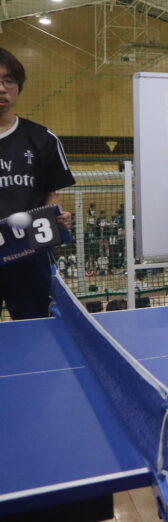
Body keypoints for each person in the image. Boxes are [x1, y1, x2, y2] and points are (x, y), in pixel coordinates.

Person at [0, 47, 74, 320]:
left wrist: (58, 217)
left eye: (9, 81)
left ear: (19, 87)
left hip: (29, 256)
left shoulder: (42, 139)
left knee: (37, 328)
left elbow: (50, 194)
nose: (2, 89)